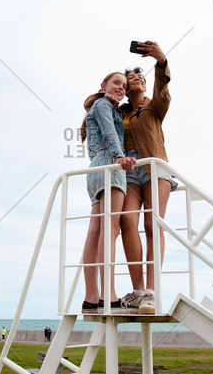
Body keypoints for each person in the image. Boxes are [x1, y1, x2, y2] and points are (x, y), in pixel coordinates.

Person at [118, 41, 176, 315]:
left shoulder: (155, 106)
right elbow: (92, 106)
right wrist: (109, 88)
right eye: (132, 78)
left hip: (153, 166)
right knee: (128, 220)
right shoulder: (120, 112)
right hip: (129, 169)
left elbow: (163, 89)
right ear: (125, 88)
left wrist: (160, 58)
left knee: (153, 225)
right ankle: (138, 290)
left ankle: (151, 292)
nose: (138, 79)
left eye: (141, 76)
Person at [80, 72, 135, 313]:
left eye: (124, 86)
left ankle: (91, 296)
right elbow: (110, 132)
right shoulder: (103, 104)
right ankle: (108, 294)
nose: (121, 88)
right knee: (110, 229)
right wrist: (119, 156)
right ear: (103, 86)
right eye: (116, 83)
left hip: (95, 169)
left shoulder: (101, 105)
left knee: (95, 230)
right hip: (110, 166)